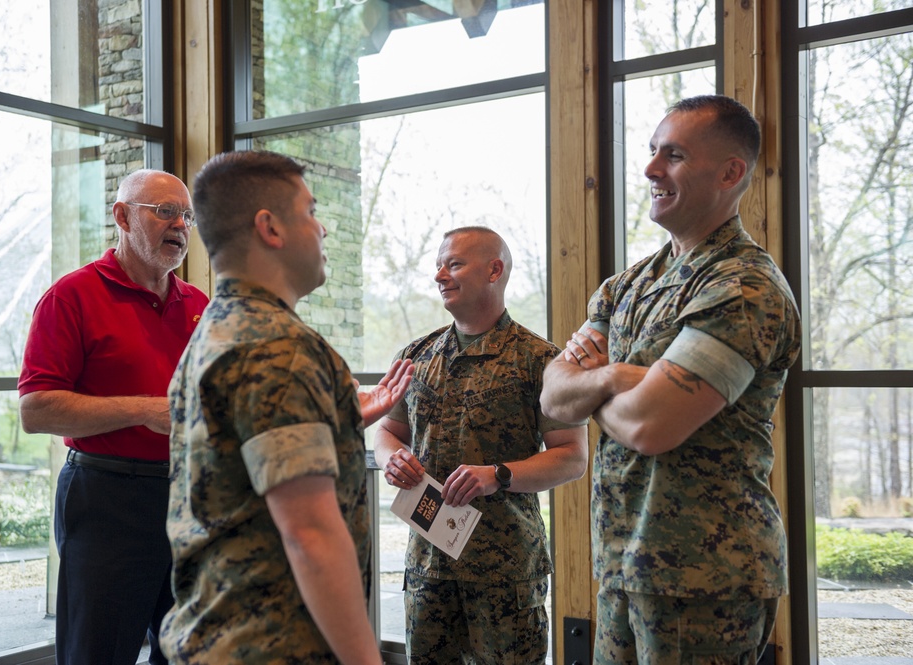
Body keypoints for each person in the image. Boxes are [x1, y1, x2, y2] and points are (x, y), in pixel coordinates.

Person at [540, 95, 802, 664]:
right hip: (620, 565)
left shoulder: (742, 288)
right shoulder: (627, 285)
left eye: (674, 155)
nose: (651, 169)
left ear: (731, 173)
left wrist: (597, 389)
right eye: (653, 151)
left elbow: (649, 426)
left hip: (705, 582)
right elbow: (553, 398)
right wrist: (617, 377)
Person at [161, 149, 413, 665]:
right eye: (312, 212)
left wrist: (338, 422)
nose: (323, 230)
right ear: (270, 228)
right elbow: (310, 535)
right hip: (272, 646)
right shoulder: (277, 347)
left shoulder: (219, 327)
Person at [18, 169, 209, 665]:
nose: (180, 225)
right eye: (165, 211)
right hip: (107, 500)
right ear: (122, 216)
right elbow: (36, 409)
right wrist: (145, 411)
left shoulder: (201, 307)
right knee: (97, 653)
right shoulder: (71, 297)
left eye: (186, 216)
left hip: (188, 501)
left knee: (193, 653)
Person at [375, 226, 588, 664]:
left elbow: (572, 456)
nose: (440, 275)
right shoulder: (418, 355)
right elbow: (387, 431)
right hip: (428, 566)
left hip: (504, 572)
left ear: (495, 270)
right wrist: (390, 458)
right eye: (438, 265)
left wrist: (498, 476)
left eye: (453, 264)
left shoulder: (538, 360)